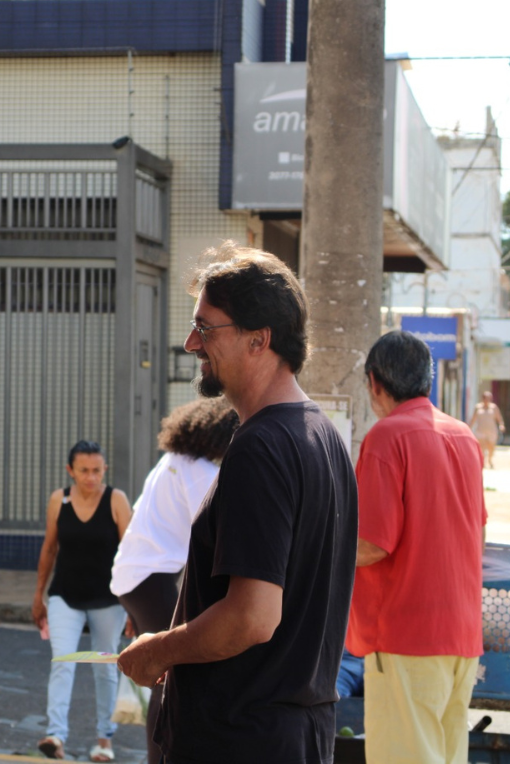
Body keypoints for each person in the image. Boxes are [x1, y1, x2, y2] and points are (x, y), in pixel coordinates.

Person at [117, 243, 358, 764]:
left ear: (258, 339)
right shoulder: (324, 436)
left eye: (206, 329)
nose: (190, 343)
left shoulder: (261, 446)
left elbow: (252, 617)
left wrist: (158, 650)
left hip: (242, 738)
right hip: (297, 732)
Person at [348, 330, 487, 764]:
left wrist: (313, 543)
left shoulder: (388, 437)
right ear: (429, 380)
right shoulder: (463, 436)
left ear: (375, 383)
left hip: (406, 636)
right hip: (460, 635)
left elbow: (371, 544)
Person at [108, 397, 240, 764]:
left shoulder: (171, 460)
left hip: (135, 578)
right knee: (173, 671)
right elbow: (214, 536)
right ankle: (161, 756)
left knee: (169, 673)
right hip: (153, 578)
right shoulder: (201, 472)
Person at [32, 441, 133, 762]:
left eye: (97, 470)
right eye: (84, 471)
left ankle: (104, 741)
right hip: (65, 595)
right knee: (63, 661)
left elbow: (132, 555)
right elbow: (49, 549)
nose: (91, 477)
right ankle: (55, 736)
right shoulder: (58, 500)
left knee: (104, 668)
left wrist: (133, 605)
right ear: (70, 471)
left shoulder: (116, 500)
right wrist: (39, 595)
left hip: (109, 599)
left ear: (104, 469)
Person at [469, 390, 505, 468]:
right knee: (481, 448)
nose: (487, 400)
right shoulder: (478, 407)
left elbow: (499, 418)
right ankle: (483, 462)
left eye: (489, 398)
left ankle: (490, 459)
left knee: (491, 447)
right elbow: (473, 419)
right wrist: (468, 428)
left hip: (491, 431)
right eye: (485, 398)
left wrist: (501, 425)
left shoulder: (494, 407)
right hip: (480, 430)